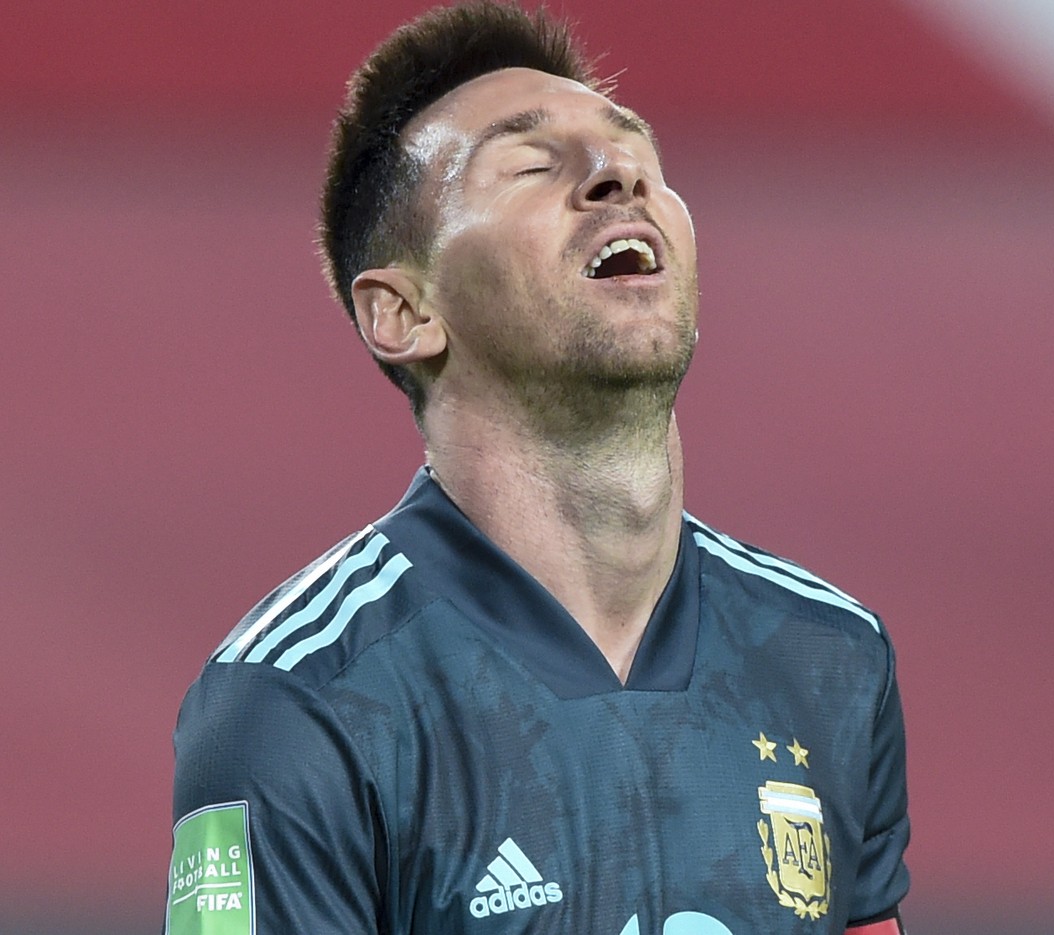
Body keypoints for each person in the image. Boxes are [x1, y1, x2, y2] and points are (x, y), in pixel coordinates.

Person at [164, 2, 911, 933]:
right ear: (403, 311)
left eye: (634, 151)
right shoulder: (299, 701)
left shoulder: (830, 655)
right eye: (529, 163)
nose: (618, 176)